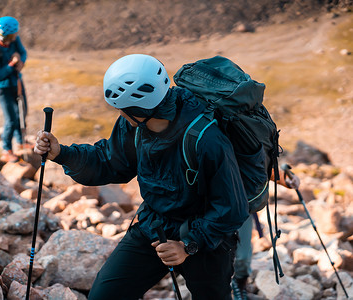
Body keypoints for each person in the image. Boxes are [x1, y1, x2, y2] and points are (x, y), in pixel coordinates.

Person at [34, 54, 249, 299]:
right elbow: (109, 161)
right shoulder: (134, 126)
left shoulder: (206, 139)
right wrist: (62, 153)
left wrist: (188, 245)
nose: (119, 114)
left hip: (206, 240)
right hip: (154, 227)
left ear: (140, 109)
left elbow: (232, 207)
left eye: (122, 109)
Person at [231, 168, 301, 300]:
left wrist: (284, 178)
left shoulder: (248, 146)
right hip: (209, 204)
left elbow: (262, 162)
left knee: (243, 257)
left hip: (242, 204)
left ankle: (239, 283)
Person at [0, 16, 28, 163]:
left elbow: (23, 52)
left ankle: (21, 141)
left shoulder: (14, 40)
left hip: (16, 82)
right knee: (11, 119)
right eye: (13, 35)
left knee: (23, 111)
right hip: (3, 88)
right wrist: (12, 64)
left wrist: (21, 61)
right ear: (6, 35)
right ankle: (6, 149)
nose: (16, 37)